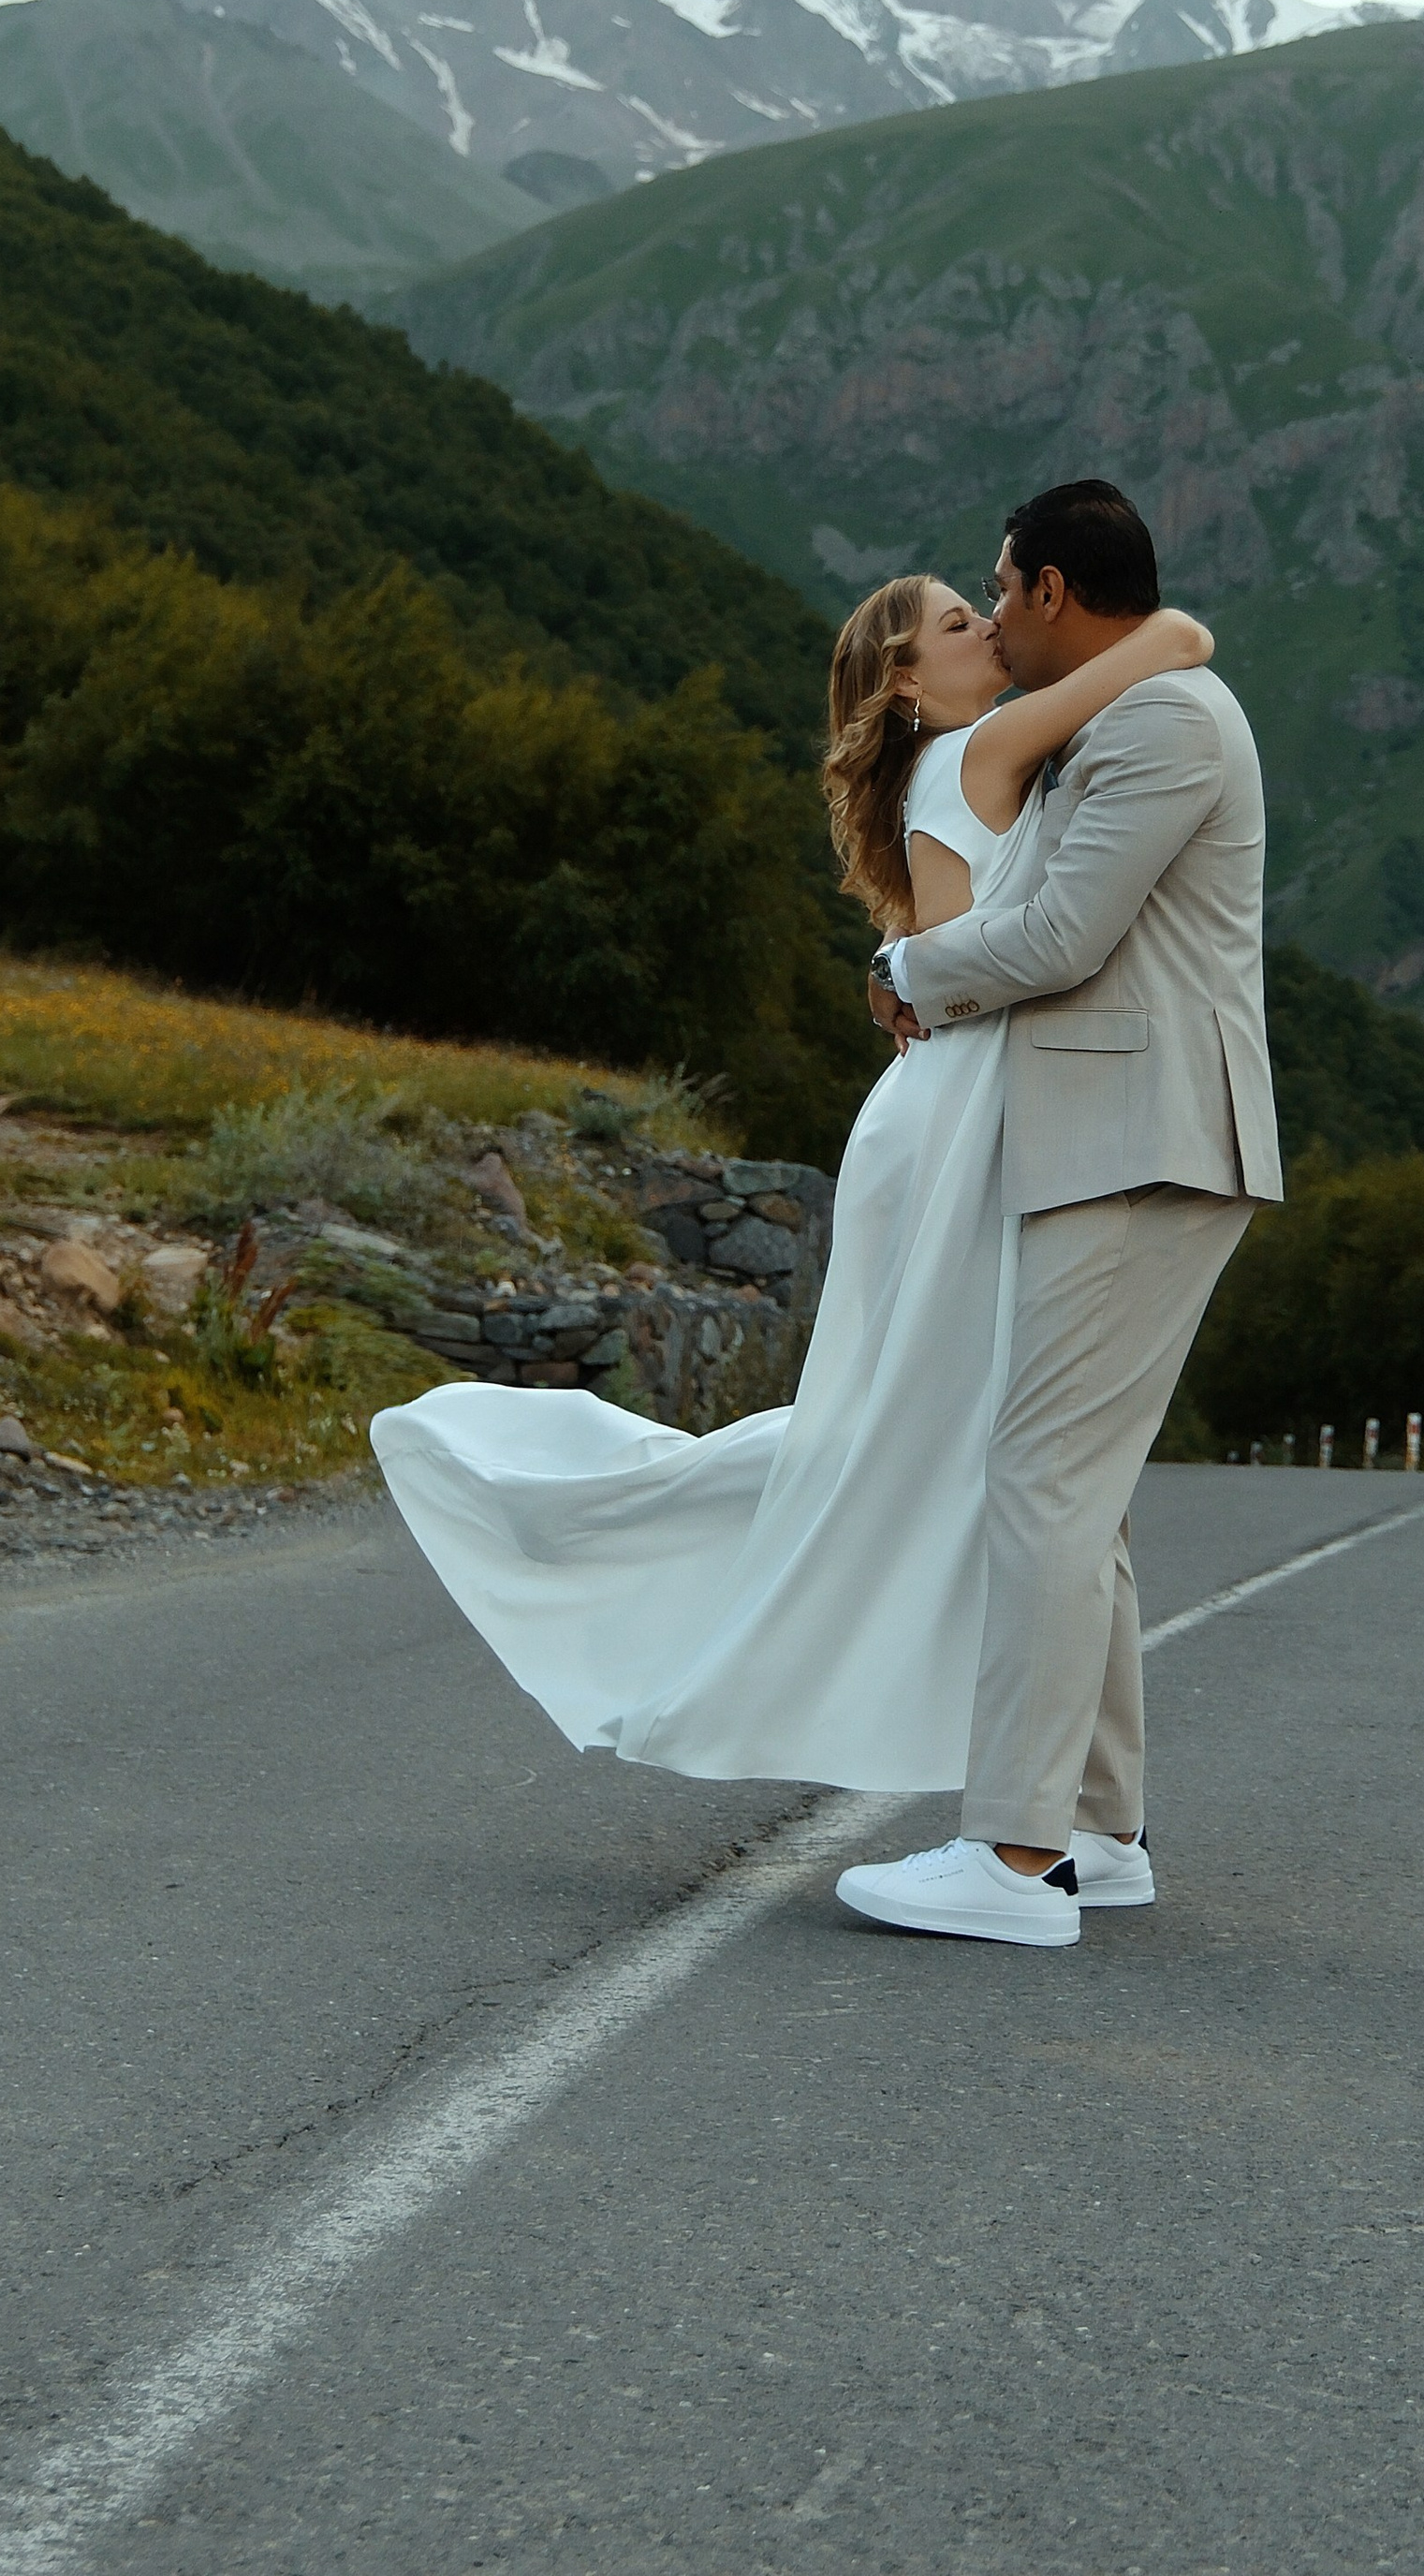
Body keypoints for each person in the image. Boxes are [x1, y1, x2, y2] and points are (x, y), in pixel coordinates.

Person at [367, 518, 1227, 1852]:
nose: (988, 628)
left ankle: (1075, 1819)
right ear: (903, 683)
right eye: (957, 623)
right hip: (961, 1117)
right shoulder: (979, 749)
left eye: (986, 604)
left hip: (949, 1104)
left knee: (952, 1440)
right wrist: (1168, 637)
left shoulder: (963, 758)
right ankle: (1055, 1826)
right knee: (959, 1443)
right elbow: (1172, 646)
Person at [835, 476, 1281, 1950]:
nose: (991, 611)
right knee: (1080, 1492)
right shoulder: (1133, 706)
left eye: (995, 585)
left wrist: (909, 975)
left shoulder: (1161, 722)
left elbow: (1065, 932)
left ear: (1042, 591)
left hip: (1144, 1139)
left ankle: (1016, 1857)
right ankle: (1101, 1829)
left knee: (1040, 1482)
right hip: (1113, 1136)